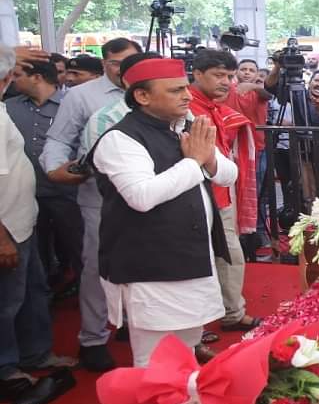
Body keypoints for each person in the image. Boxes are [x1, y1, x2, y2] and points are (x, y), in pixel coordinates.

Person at [89, 56, 236, 367]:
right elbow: (142, 197)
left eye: (185, 87)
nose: (186, 95)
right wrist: (194, 162)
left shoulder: (184, 126)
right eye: (174, 90)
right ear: (142, 96)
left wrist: (206, 159)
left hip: (191, 258)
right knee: (156, 359)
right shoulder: (120, 139)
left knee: (185, 349)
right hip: (152, 268)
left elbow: (228, 174)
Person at [40, 37, 142, 372]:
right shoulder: (83, 96)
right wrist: (57, 170)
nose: (124, 68)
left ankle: (134, 322)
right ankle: (93, 339)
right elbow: (59, 138)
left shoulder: (151, 89)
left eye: (131, 60)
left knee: (145, 262)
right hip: (99, 197)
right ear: (105, 63)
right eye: (116, 63)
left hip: (149, 194)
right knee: (98, 268)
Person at [0, 45, 76, 404]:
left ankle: (34, 354)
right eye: (11, 72)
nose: (13, 79)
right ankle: (7, 368)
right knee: (7, 302)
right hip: (7, 229)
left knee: (34, 290)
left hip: (23, 218)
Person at [187, 50, 261, 332]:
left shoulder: (214, 107)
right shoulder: (185, 108)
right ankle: (197, 326)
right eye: (219, 75)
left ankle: (232, 312)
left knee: (229, 254)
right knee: (199, 258)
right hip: (192, 197)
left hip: (219, 194)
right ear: (197, 74)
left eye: (229, 77)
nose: (227, 83)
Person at [5, 58, 83, 291]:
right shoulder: (9, 107)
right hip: (25, 196)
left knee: (77, 246)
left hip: (67, 193)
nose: (12, 80)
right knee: (36, 250)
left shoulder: (72, 105)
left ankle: (84, 290)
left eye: (18, 75)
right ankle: (45, 291)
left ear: (37, 77)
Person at [224, 58, 272, 261]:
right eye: (243, 69)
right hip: (232, 147)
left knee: (258, 190)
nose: (246, 72)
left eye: (251, 70)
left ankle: (258, 231)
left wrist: (252, 85)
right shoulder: (228, 89)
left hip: (257, 148)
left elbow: (266, 94)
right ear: (236, 71)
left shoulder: (258, 91)